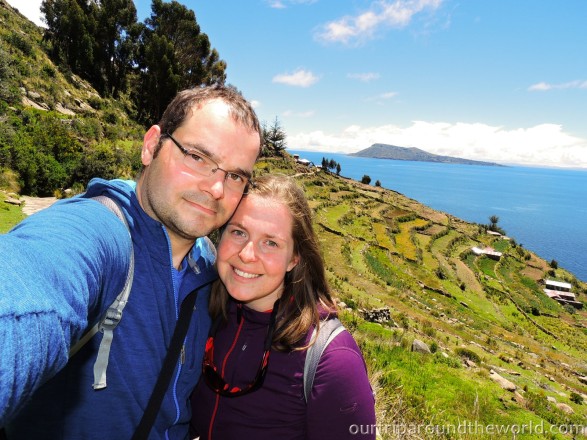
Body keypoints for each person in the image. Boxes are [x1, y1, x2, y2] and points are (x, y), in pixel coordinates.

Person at [0, 85, 262, 439]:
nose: (217, 189)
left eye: (234, 176)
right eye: (197, 157)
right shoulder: (101, 231)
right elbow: (29, 283)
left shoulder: (212, 270)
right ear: (151, 145)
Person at [190, 174, 376, 440]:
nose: (246, 254)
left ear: (294, 259)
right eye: (239, 232)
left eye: (271, 243)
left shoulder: (334, 362)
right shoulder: (203, 311)